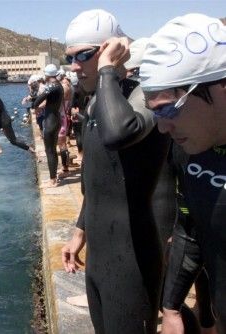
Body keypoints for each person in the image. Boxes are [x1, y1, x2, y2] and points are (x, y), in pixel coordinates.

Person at [60, 9, 173, 333]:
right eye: (70, 57)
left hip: (133, 258)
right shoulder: (97, 101)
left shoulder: (146, 96)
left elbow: (118, 134)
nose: (75, 65)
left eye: (84, 54)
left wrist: (109, 69)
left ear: (113, 48)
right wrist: (79, 231)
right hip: (99, 258)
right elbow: (95, 180)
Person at [140, 13, 226, 333]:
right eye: (154, 113)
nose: (162, 127)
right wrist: (171, 307)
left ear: (221, 86)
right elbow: (191, 228)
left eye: (167, 109)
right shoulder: (188, 149)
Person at [32, 64, 64, 187]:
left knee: (49, 151)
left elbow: (38, 100)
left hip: (51, 122)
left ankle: (53, 180)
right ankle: (53, 177)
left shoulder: (52, 86)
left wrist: (36, 106)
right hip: (55, 119)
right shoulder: (59, 85)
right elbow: (49, 101)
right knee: (52, 151)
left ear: (47, 74)